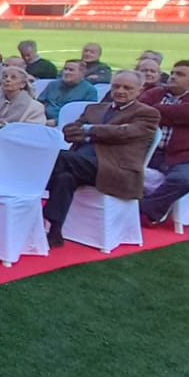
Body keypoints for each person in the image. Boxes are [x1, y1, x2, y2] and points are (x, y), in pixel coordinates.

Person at [43, 70, 161, 247]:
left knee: (58, 157)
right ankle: (55, 231)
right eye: (116, 86)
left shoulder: (147, 113)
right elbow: (69, 131)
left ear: (139, 90)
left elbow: (125, 133)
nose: (120, 91)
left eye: (127, 88)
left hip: (115, 168)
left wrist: (89, 131)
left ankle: (31, 196)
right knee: (64, 177)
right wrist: (98, 133)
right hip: (80, 163)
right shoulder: (95, 108)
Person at [138, 61, 189, 225]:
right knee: (112, 166)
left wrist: (156, 111)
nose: (173, 77)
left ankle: (144, 209)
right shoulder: (155, 93)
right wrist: (177, 114)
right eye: (173, 73)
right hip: (149, 151)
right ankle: (149, 208)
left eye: (180, 74)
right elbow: (138, 109)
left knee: (185, 180)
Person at [0, 65, 47, 141]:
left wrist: (1, 126)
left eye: (13, 77)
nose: (8, 80)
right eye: (5, 77)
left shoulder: (35, 107)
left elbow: (33, 132)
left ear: (22, 84)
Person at [39, 60, 99, 124]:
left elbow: (87, 115)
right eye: (65, 69)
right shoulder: (52, 85)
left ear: (82, 73)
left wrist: (57, 121)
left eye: (71, 70)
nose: (66, 72)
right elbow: (40, 103)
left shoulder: (90, 90)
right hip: (43, 121)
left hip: (69, 124)